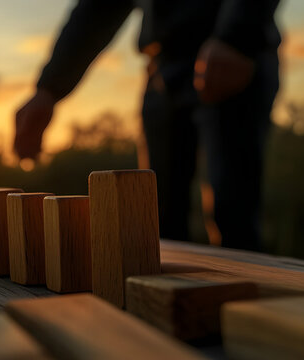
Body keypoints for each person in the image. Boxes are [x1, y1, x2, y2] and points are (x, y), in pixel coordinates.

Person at [14, 0, 280, 250]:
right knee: (157, 220)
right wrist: (49, 88)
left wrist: (238, 36)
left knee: (234, 215)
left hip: (230, 57)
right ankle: (166, 298)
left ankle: (242, 298)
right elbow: (98, 7)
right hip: (162, 69)